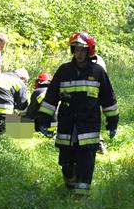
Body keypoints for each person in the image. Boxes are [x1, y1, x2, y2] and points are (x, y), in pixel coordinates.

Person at [38, 32, 120, 195]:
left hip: (88, 126)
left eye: (82, 50)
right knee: (66, 164)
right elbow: (51, 98)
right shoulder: (63, 71)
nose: (79, 53)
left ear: (89, 51)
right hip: (67, 126)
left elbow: (108, 100)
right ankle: (71, 188)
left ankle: (81, 196)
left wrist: (113, 122)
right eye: (76, 49)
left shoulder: (98, 72)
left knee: (86, 162)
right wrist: (43, 120)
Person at [0, 68, 30, 134]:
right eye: (25, 81)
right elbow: (23, 105)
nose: (24, 83)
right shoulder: (19, 81)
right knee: (6, 130)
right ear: (23, 78)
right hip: (3, 111)